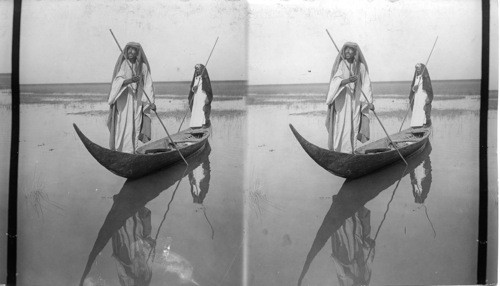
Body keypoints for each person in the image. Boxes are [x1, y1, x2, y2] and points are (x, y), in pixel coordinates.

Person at [107, 42, 156, 153]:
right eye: (129, 49)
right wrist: (130, 80)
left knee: (136, 123)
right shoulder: (124, 64)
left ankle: (133, 151)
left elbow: (148, 84)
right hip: (124, 99)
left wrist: (151, 102)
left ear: (137, 52)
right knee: (123, 124)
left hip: (137, 99)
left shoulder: (143, 66)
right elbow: (117, 81)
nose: (130, 52)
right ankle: (120, 151)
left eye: (133, 50)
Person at [325, 42, 374, 153]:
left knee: (354, 123)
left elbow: (366, 83)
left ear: (355, 52)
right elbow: (335, 81)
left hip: (355, 100)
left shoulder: (360, 66)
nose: (347, 51)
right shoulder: (341, 64)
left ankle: (352, 151)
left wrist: (369, 102)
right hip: (342, 100)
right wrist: (347, 80)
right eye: (346, 49)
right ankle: (339, 151)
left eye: (350, 50)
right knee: (341, 124)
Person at [188, 64, 213, 128]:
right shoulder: (195, 78)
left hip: (202, 97)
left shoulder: (205, 78)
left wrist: (207, 97)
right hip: (196, 97)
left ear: (201, 70)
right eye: (196, 69)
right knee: (196, 109)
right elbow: (192, 89)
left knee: (202, 110)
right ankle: (195, 125)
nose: (196, 70)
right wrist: (193, 89)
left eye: (198, 69)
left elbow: (208, 89)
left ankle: (203, 124)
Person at [409, 63, 433, 127]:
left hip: (423, 96)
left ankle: (424, 123)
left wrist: (428, 97)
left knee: (423, 110)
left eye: (419, 69)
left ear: (422, 69)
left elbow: (429, 89)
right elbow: (413, 89)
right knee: (416, 108)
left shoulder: (425, 77)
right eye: (416, 69)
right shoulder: (416, 77)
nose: (418, 70)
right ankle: (416, 124)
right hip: (417, 96)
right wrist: (414, 88)